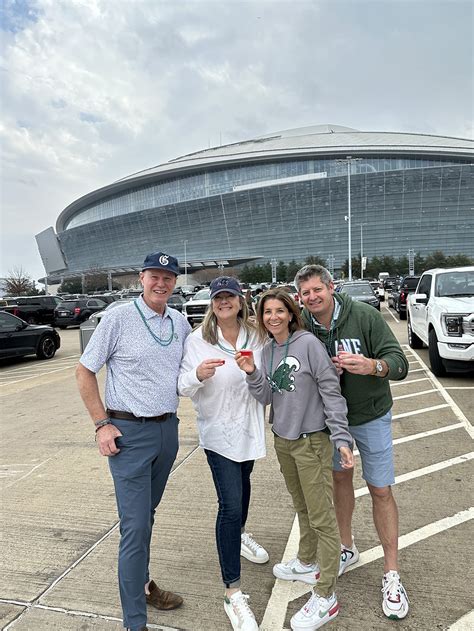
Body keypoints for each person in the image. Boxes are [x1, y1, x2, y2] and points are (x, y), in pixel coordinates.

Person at [76, 251, 191, 631]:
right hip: (129, 434)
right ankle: (134, 623)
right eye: (154, 276)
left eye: (168, 277)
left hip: (167, 432)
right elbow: (84, 370)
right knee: (135, 526)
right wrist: (101, 424)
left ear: (176, 282)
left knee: (147, 516)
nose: (161, 283)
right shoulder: (119, 317)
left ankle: (142, 585)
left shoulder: (178, 321)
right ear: (141, 278)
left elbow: (186, 373)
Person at [294, 264, 410, 620]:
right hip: (330, 421)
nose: (313, 297)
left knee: (379, 489)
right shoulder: (302, 322)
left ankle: (392, 573)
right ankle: (347, 548)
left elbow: (400, 362)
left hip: (371, 414)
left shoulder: (364, 316)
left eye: (318, 289)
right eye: (306, 293)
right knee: (339, 481)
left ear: (331, 287)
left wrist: (370, 365)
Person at [236, 289, 354, 631]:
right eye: (266, 311)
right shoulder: (268, 350)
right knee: (301, 506)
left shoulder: (308, 345)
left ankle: (326, 594)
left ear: (291, 313)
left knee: (322, 517)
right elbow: (266, 396)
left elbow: (331, 390)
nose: (272, 317)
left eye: (279, 311)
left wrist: (342, 438)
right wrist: (251, 371)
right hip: (283, 442)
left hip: (312, 441)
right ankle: (306, 560)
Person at [178, 276, 267, 631]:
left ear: (241, 301)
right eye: (219, 298)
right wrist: (197, 375)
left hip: (249, 429)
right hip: (217, 432)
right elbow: (182, 386)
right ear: (212, 303)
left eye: (230, 296)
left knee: (244, 488)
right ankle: (233, 592)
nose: (224, 302)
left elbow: (267, 374)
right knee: (229, 504)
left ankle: (240, 533)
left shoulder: (256, 335)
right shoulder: (197, 340)